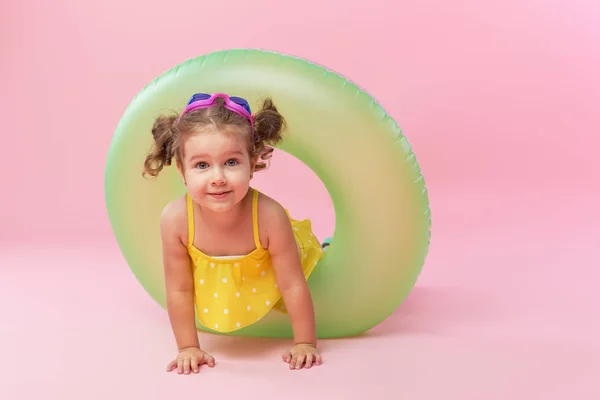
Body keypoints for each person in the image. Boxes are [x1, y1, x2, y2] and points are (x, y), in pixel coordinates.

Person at [142, 93, 326, 374]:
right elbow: (179, 288)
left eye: (231, 162)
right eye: (202, 165)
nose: (218, 177)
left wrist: (305, 343)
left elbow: (292, 284)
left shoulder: (269, 216)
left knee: (312, 266)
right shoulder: (175, 219)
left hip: (275, 267)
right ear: (181, 170)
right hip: (226, 283)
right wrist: (188, 347)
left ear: (252, 164)